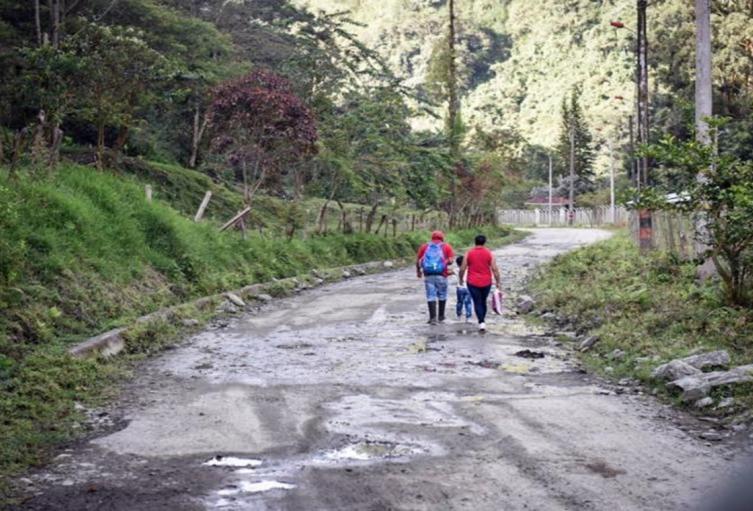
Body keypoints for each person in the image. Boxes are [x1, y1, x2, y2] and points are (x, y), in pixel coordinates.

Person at [458, 234, 501, 332]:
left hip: (472, 282)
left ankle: (481, 321)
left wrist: (460, 279)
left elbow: (462, 268)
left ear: (475, 242)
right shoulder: (489, 253)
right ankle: (482, 321)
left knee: (477, 302)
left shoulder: (468, 253)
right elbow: (494, 268)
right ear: (484, 242)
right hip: (486, 282)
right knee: (483, 301)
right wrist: (498, 281)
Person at [416, 230, 455, 325]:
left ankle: (432, 318)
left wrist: (418, 271)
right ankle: (441, 316)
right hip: (442, 274)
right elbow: (451, 261)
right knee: (442, 294)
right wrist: (444, 263)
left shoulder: (424, 246)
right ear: (442, 237)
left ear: (432, 237)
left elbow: (418, 260)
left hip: (428, 275)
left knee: (430, 296)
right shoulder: (446, 246)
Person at [454, 255, 473, 323]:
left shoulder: (456, 269)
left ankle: (459, 315)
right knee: (468, 303)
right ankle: (468, 317)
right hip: (468, 288)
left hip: (460, 288)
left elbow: (448, 272)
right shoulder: (470, 269)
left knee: (459, 302)